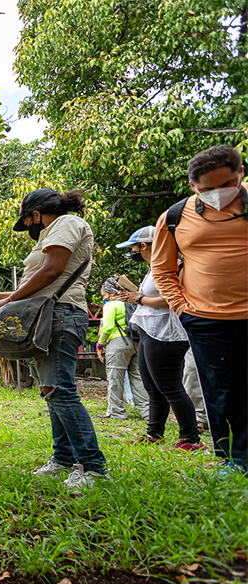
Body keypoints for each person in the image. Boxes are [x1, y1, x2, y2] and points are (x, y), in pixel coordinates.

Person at [0, 188, 109, 492]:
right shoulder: (52, 231)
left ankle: (92, 467)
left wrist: (8, 301)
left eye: (26, 222)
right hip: (46, 315)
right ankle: (62, 459)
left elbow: (52, 271)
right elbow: (40, 280)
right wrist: (5, 297)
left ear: (36, 214)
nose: (27, 229)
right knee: (51, 391)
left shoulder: (66, 224)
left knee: (60, 390)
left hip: (60, 314)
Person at [151, 145, 248, 475]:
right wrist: (181, 308)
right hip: (207, 319)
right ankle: (231, 459)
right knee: (220, 391)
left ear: (241, 174)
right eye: (208, 190)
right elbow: (162, 269)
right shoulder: (176, 217)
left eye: (227, 184)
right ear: (194, 186)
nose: (219, 195)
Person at [115, 227, 204, 451]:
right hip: (148, 329)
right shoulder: (155, 266)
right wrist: (137, 297)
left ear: (143, 246)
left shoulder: (175, 264)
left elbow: (169, 300)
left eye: (134, 248)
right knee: (152, 387)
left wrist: (140, 298)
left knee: (170, 386)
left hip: (166, 333)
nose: (133, 252)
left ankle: (191, 439)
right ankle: (154, 433)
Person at [96, 276, 149, 421]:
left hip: (118, 344)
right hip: (136, 343)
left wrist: (100, 344)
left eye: (104, 295)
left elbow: (107, 327)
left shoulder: (111, 306)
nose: (104, 298)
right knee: (138, 378)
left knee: (115, 378)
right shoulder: (133, 305)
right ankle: (147, 413)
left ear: (112, 294)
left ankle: (117, 412)